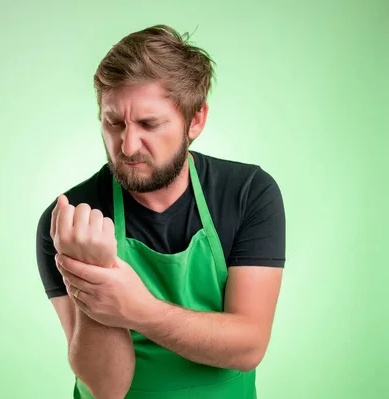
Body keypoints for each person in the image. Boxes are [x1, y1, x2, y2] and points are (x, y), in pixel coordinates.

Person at [35, 24, 285, 399]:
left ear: (195, 120)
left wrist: (139, 310)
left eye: (149, 124)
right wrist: (93, 277)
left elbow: (247, 347)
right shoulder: (70, 221)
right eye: (113, 123)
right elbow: (105, 388)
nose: (128, 144)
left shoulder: (248, 193)